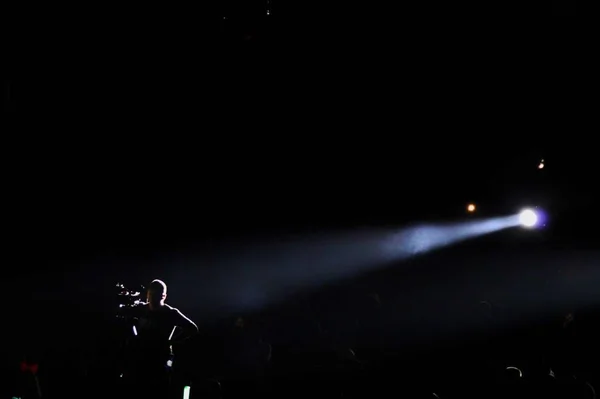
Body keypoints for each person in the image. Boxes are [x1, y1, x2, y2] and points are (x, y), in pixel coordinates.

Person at [120, 279, 198, 398]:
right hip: (141, 357)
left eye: (156, 294)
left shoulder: (170, 313)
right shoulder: (142, 309)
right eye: (151, 294)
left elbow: (192, 328)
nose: (153, 298)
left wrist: (172, 341)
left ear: (163, 296)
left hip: (159, 358)